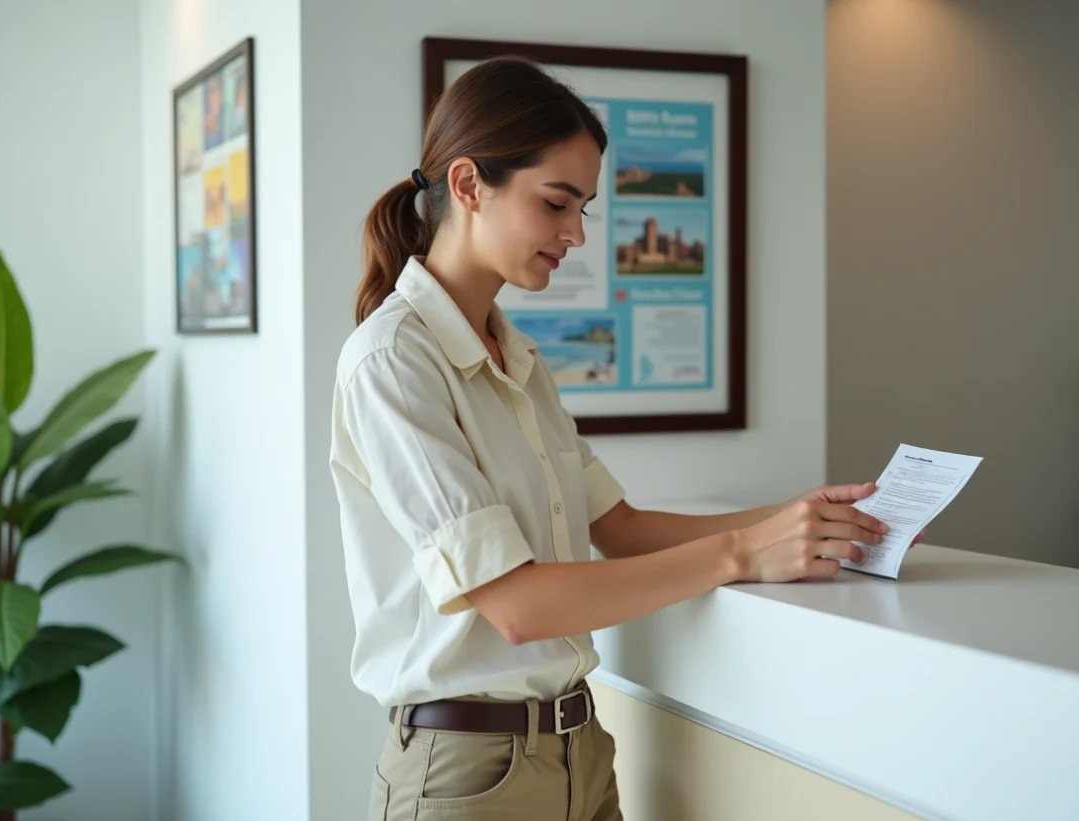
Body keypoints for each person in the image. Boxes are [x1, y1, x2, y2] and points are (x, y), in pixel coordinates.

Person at [329, 56, 900, 821]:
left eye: (583, 209)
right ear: (468, 185)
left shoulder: (516, 357)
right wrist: (743, 553)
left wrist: (780, 520)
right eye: (557, 203)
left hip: (581, 749)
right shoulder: (393, 361)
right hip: (467, 775)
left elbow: (620, 528)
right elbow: (518, 604)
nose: (575, 234)